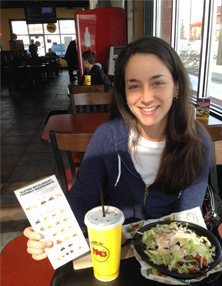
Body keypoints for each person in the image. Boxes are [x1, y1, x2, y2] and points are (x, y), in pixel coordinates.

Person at [23, 36, 211, 261]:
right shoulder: (108, 136)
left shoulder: (197, 142)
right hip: (115, 248)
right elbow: (82, 198)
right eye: (134, 85)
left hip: (169, 252)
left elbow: (187, 216)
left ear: (177, 86)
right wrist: (52, 235)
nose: (146, 97)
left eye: (158, 83)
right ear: (124, 92)